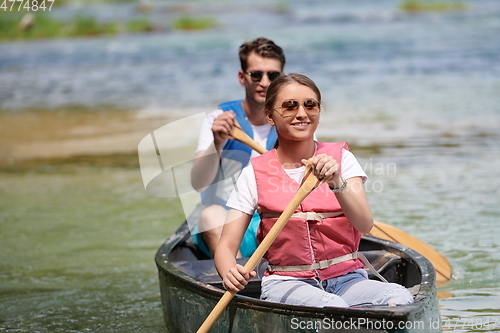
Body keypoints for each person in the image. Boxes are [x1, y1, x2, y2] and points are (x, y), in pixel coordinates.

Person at [214, 73, 414, 308]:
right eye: (289, 106)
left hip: (347, 279)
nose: (301, 113)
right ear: (270, 116)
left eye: (310, 105)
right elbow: (226, 245)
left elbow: (364, 224)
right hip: (287, 282)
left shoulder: (342, 159)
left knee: (399, 297)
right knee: (333, 306)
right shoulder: (253, 172)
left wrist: (337, 181)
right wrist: (229, 271)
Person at [190, 37, 286, 258]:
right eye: (256, 74)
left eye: (272, 75)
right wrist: (217, 142)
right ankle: (236, 276)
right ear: (242, 78)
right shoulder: (219, 120)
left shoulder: (294, 122)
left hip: (274, 222)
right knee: (210, 214)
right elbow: (198, 184)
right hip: (225, 222)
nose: (264, 82)